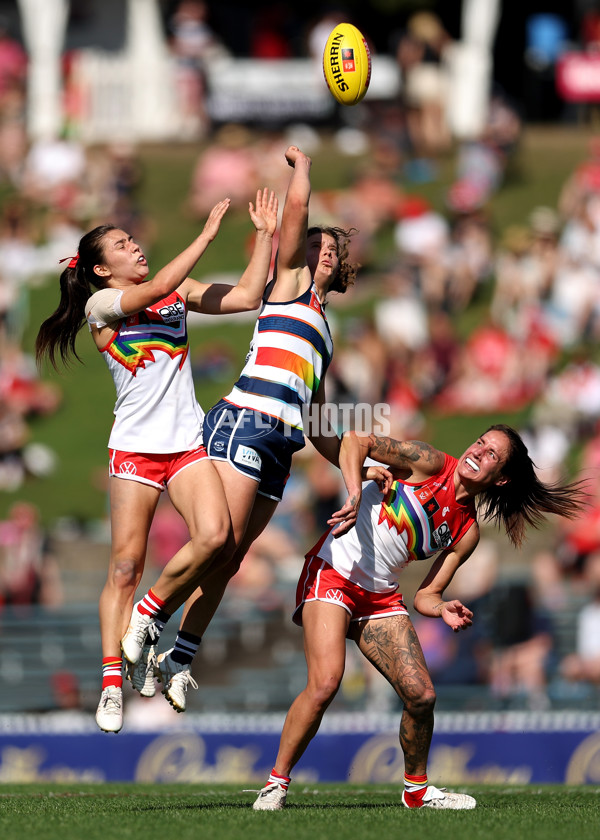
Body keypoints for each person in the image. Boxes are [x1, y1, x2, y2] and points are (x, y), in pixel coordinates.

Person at [121, 145, 388, 713]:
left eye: (329, 250)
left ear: (340, 269)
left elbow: (316, 421)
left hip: (281, 445)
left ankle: (178, 657)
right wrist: (305, 170)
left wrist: (358, 470)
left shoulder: (325, 331)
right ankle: (148, 618)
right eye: (314, 244)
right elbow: (293, 222)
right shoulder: (287, 285)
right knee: (216, 541)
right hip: (244, 422)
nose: (318, 251)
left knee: (233, 555)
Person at [35, 187, 279, 734]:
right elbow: (162, 285)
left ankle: (149, 618)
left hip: (188, 441)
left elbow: (244, 297)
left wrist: (263, 236)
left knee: (217, 539)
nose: (136, 246)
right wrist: (207, 235)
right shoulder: (103, 307)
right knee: (123, 567)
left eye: (133, 238)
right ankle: (111, 682)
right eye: (123, 245)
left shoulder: (172, 291)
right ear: (101, 268)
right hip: (136, 448)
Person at [252, 424, 588, 811]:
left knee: (422, 696)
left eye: (491, 453)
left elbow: (425, 595)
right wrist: (356, 486)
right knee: (326, 683)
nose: (477, 451)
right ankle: (275, 784)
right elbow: (354, 441)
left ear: (502, 478)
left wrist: (442, 607)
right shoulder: (430, 462)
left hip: (379, 598)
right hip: (332, 573)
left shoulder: (467, 532)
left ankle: (416, 792)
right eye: (479, 441)